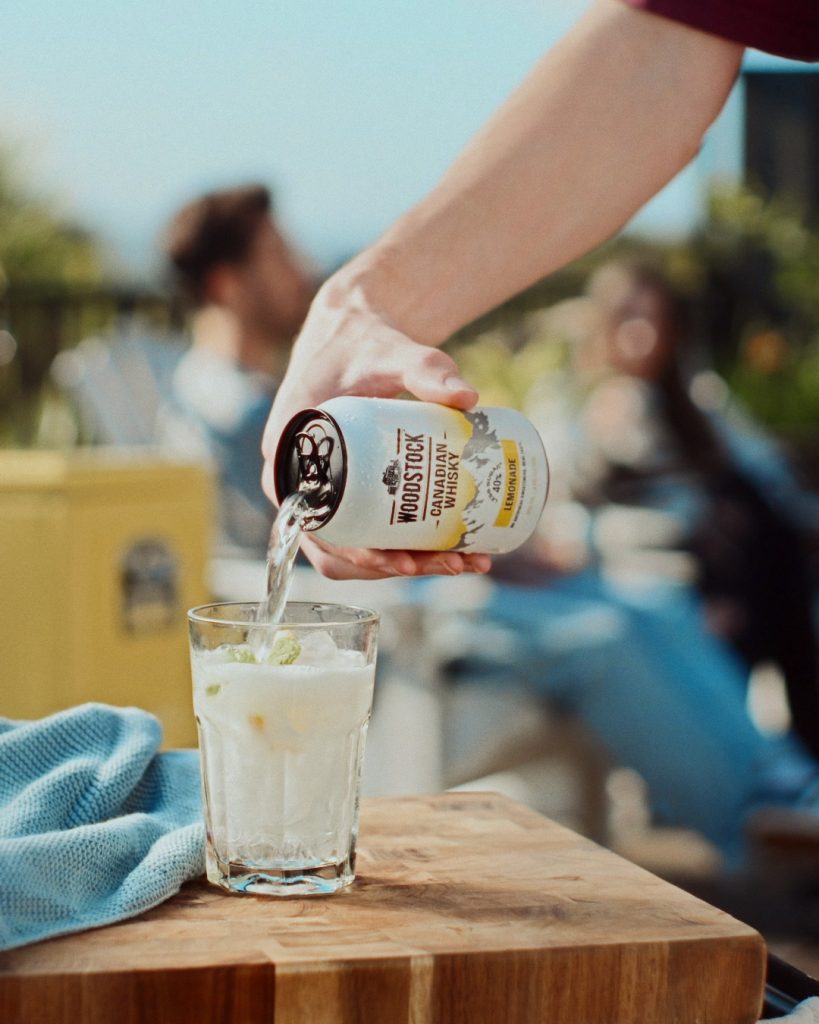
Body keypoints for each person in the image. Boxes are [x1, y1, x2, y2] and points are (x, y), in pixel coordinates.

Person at [259, 0, 818, 581]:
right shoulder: (578, 402)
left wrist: (368, 304)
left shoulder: (698, 399)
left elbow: (660, 62)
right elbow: (667, 51)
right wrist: (365, 305)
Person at [159, 183, 314, 554]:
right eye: (280, 256)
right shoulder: (240, 414)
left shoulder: (206, 386)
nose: (302, 271)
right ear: (225, 285)